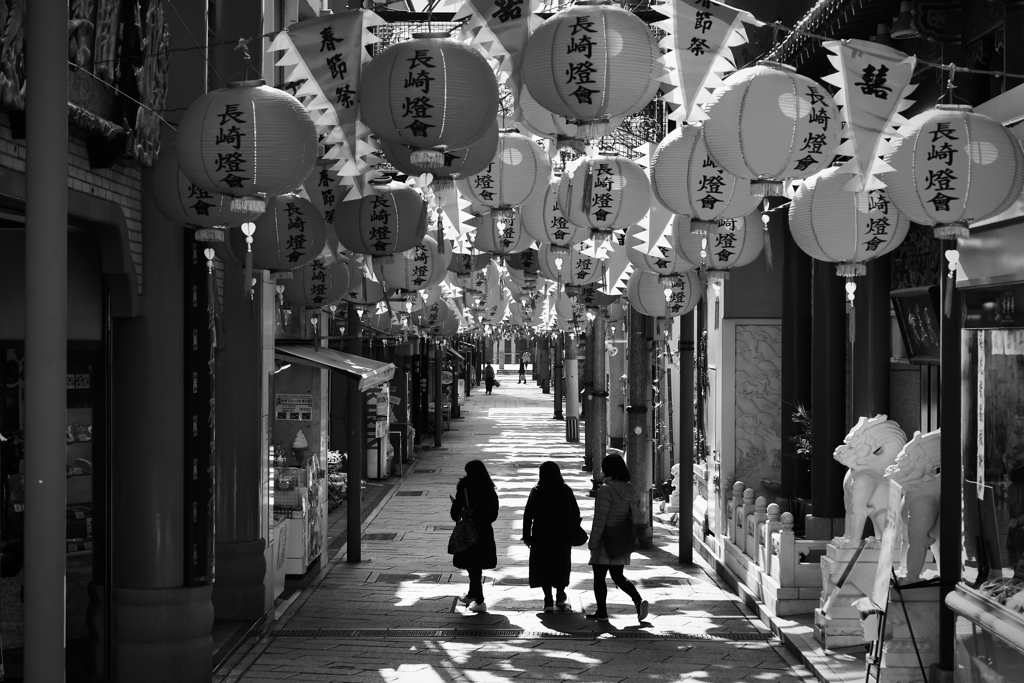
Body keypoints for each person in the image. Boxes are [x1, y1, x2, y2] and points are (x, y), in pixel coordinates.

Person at [586, 453, 648, 623]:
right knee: (618, 576)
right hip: (620, 538)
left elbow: (600, 519)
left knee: (599, 577)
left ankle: (602, 611)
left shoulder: (605, 490)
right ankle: (638, 600)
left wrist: (593, 542)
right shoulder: (628, 489)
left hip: (605, 540)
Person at [523, 461, 580, 612]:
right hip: (561, 534)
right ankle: (560, 596)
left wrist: (526, 535)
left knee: (543, 564)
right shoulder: (565, 490)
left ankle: (548, 599)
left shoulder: (537, 490)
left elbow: (528, 514)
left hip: (541, 533)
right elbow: (576, 511)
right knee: (561, 564)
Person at [450, 460, 499, 612]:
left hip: (468, 531)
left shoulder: (465, 487)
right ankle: (473, 594)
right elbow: (493, 514)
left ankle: (479, 599)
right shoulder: (489, 489)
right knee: (476, 565)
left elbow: (454, 513)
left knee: (472, 565)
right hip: (483, 531)